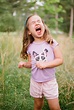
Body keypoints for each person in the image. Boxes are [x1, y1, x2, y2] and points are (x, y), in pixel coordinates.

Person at [18, 14, 63, 110]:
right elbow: (31, 64)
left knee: (55, 108)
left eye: (39, 21)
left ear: (43, 26)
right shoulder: (30, 47)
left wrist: (45, 64)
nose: (37, 23)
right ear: (29, 31)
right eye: (33, 22)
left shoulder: (51, 42)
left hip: (49, 82)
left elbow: (60, 60)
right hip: (35, 82)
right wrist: (24, 64)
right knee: (38, 106)